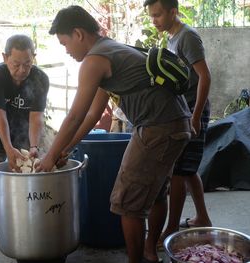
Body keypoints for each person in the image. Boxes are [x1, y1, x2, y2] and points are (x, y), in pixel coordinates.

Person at [35, 5, 192, 263]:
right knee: (153, 194)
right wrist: (65, 150)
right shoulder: (111, 49)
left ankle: (138, 259)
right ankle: (150, 253)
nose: (66, 50)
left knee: (126, 203)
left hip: (157, 127)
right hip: (175, 124)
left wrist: (49, 157)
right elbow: (91, 115)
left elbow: (74, 116)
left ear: (78, 33)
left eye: (65, 43)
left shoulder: (94, 60)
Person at [143, 0, 212, 259]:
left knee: (179, 172)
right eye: (151, 16)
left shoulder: (187, 37)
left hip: (194, 111)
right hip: (186, 110)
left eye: (158, 14)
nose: (154, 20)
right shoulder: (172, 38)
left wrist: (195, 117)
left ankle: (171, 229)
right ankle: (202, 217)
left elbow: (205, 76)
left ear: (173, 12)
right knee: (189, 168)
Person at [0, 34, 49, 248]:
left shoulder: (40, 78)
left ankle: (23, 221)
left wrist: (33, 146)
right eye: (16, 64)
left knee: (30, 171)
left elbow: (36, 117)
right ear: (5, 57)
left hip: (23, 127)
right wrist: (9, 149)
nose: (22, 70)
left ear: (34, 57)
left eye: (27, 64)